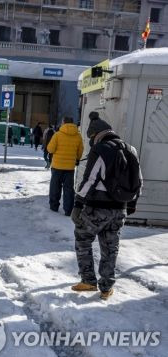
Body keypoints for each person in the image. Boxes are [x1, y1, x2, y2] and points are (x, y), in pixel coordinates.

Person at [70, 112, 142, 300]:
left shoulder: (100, 149)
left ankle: (88, 281)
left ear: (96, 134)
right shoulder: (130, 149)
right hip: (120, 209)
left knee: (83, 238)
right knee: (111, 246)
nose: (91, 141)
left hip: (97, 208)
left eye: (91, 137)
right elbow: (138, 180)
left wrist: (78, 204)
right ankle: (106, 288)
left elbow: (90, 180)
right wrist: (131, 204)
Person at [47, 116, 83, 216]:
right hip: (70, 168)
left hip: (57, 167)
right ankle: (68, 210)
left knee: (55, 187)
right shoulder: (78, 136)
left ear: (64, 123)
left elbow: (50, 149)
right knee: (68, 189)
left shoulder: (57, 135)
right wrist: (77, 159)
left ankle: (54, 206)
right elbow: (80, 151)